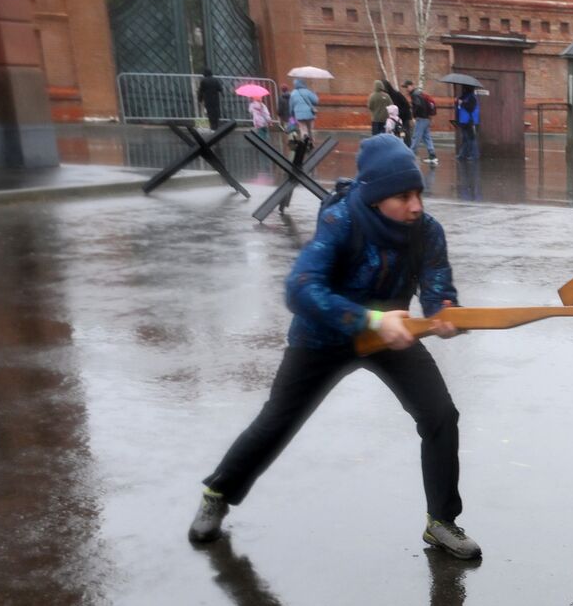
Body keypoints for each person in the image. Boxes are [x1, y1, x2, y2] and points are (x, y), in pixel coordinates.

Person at [189, 134, 480, 560]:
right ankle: (218, 491)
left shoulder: (427, 231)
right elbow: (300, 289)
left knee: (440, 415)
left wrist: (446, 313)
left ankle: (441, 522)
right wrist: (371, 320)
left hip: (391, 335)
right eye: (403, 196)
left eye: (418, 193)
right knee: (278, 421)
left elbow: (438, 287)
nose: (416, 205)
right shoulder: (342, 221)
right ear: (377, 197)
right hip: (322, 337)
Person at [407, 80, 439, 163]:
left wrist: (414, 115)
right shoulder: (420, 93)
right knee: (427, 137)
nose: (407, 89)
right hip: (426, 118)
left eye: (407, 86)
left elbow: (418, 105)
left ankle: (410, 155)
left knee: (416, 136)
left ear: (412, 86)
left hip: (421, 118)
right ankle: (432, 155)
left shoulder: (415, 94)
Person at [455, 85, 479, 161]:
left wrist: (462, 103)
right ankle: (462, 155)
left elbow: (470, 108)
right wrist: (458, 102)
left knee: (471, 138)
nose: (463, 89)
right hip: (463, 120)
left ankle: (474, 155)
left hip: (469, 120)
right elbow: (459, 108)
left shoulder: (472, 98)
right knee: (465, 138)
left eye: (464, 88)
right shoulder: (464, 97)